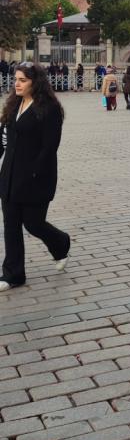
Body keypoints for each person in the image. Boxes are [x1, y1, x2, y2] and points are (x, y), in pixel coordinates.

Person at [0, 63, 70, 291]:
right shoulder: (14, 104)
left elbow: (50, 147)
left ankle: (61, 243)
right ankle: (13, 275)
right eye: (16, 79)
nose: (17, 84)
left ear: (35, 82)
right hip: (10, 175)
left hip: (36, 177)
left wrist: (33, 172)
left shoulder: (49, 108)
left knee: (33, 223)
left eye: (23, 80)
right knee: (11, 225)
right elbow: (4, 138)